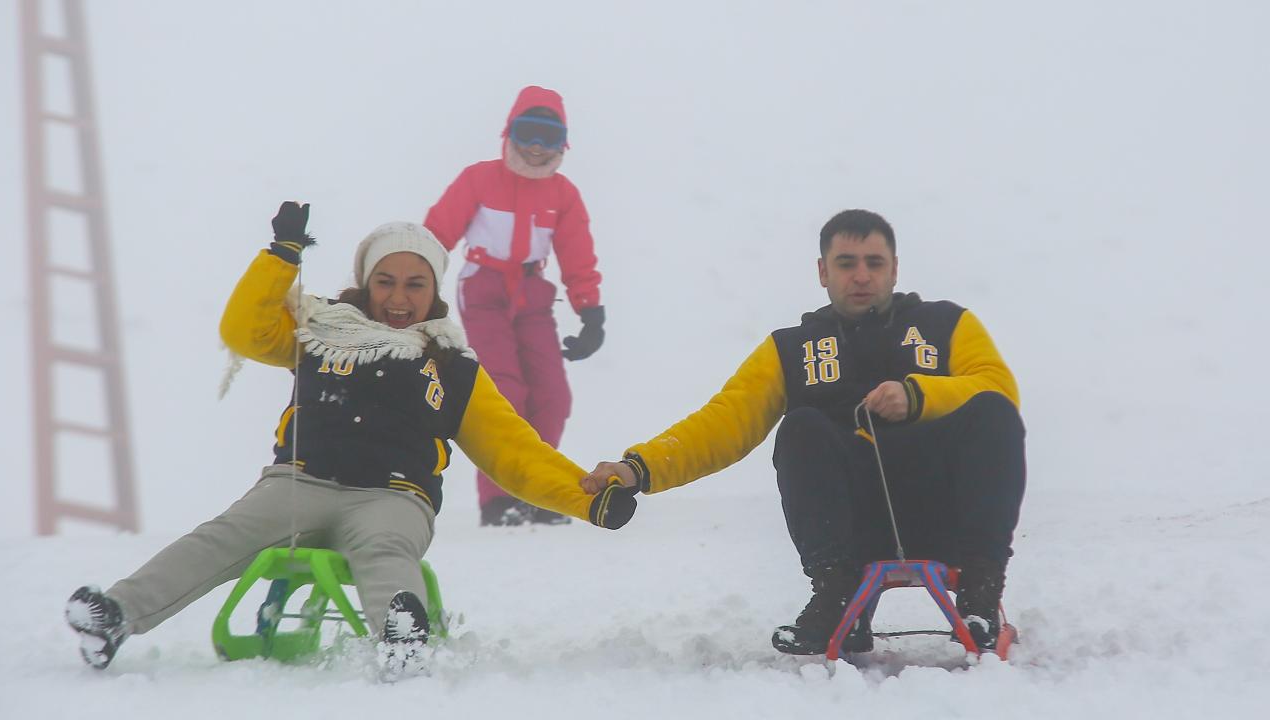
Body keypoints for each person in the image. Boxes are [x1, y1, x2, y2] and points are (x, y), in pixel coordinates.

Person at [64, 202, 637, 677]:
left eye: (415, 285)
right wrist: (279, 260)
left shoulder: (453, 365)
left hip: (394, 496)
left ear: (434, 291)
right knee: (218, 538)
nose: (398, 297)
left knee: (385, 548)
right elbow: (242, 331)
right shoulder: (318, 329)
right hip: (299, 482)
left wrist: (587, 498)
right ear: (366, 282)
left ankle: (402, 640)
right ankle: (118, 613)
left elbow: (517, 455)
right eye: (385, 281)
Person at [580, 209, 1026, 656]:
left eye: (874, 262)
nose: (861, 276)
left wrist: (918, 395)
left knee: (993, 412)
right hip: (851, 532)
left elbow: (998, 389)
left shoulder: (948, 325)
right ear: (822, 272)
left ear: (894, 269)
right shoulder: (791, 348)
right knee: (802, 426)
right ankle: (836, 593)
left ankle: (980, 598)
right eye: (846, 263)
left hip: (952, 521)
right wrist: (637, 468)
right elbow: (723, 422)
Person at [424, 85, 605, 527]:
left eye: (549, 137)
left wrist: (590, 313)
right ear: (510, 133)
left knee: (552, 395)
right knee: (505, 389)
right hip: (484, 288)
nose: (537, 148)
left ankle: (537, 492)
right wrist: (417, 290)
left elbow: (577, 253)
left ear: (563, 142)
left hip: (531, 293)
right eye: (528, 134)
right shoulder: (480, 180)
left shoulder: (562, 195)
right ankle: (498, 499)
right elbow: (436, 235)